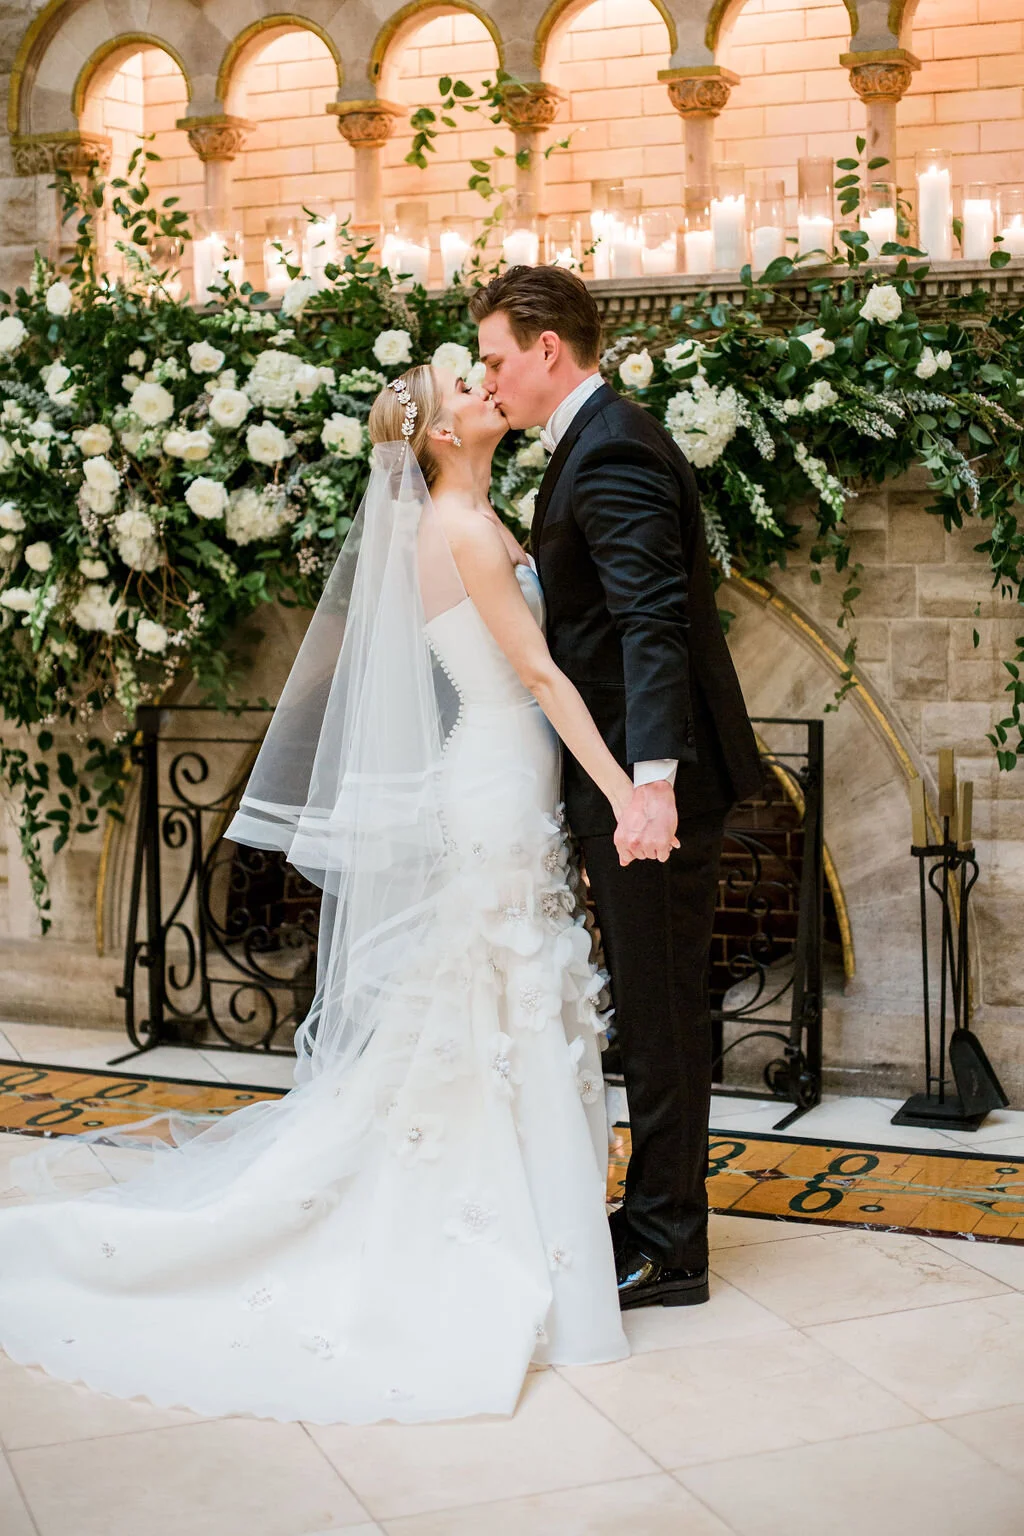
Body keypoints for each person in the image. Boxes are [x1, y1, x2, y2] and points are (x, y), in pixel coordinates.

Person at [0, 359, 636, 1426]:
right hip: (492, 777)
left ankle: (549, 1241)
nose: (486, 391)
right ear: (438, 436)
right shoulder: (462, 528)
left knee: (509, 1005)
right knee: (501, 1002)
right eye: (464, 391)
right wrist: (622, 791)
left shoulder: (471, 514)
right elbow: (536, 676)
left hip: (505, 778)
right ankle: (524, 1252)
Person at [470, 266, 763, 1308]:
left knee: (661, 1007)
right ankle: (653, 1214)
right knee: (650, 1002)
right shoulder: (595, 442)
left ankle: (668, 1244)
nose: (488, 378)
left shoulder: (614, 449)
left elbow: (653, 625)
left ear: (548, 349)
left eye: (497, 358)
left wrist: (652, 787)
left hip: (650, 791)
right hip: (628, 781)